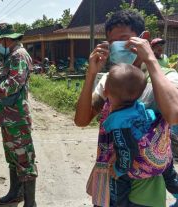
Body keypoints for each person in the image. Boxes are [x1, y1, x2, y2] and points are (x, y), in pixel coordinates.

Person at [75, 10, 178, 207]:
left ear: (144, 38)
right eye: (113, 42)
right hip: (109, 180)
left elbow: (174, 115)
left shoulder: (165, 77)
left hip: (146, 187)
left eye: (124, 40)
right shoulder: (110, 81)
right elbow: (81, 120)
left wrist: (150, 60)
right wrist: (91, 74)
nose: (118, 47)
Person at [102, 63, 178, 207]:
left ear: (106, 92)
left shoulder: (119, 123)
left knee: (117, 181)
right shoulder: (140, 105)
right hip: (162, 159)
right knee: (170, 173)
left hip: (143, 165)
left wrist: (119, 169)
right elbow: (150, 118)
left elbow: (127, 151)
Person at [0, 23, 37, 207]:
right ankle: (15, 194)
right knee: (13, 158)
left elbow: (14, 83)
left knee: (24, 160)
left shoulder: (19, 55)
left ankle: (30, 203)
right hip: (9, 118)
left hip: (17, 118)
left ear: (6, 39)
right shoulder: (12, 55)